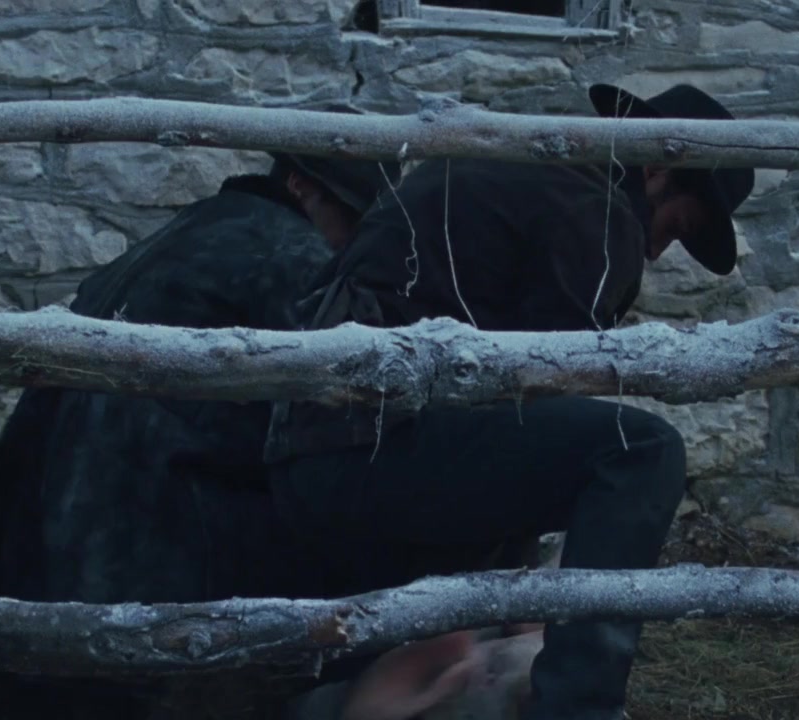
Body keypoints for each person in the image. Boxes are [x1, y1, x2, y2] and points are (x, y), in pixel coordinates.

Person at [261, 82, 756, 720]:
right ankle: (578, 711)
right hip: (369, 447)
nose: (657, 248)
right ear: (657, 169)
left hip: (317, 448)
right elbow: (548, 396)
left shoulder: (518, 173)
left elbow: (520, 421)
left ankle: (346, 698)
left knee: (467, 627)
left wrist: (525, 581)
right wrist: (537, 590)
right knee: (641, 450)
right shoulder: (597, 211)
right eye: (676, 224)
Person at [0, 105, 404, 720]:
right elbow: (330, 424)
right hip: (143, 550)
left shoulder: (191, 230)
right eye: (349, 218)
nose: (349, 239)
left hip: (34, 547)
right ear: (301, 187)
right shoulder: (290, 257)